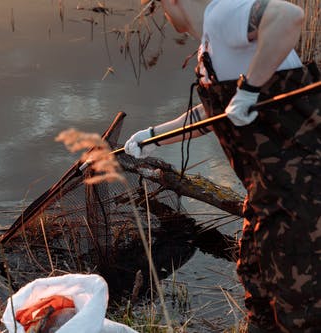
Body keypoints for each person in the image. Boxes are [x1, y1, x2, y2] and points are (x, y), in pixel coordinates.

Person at [125, 0, 320, 332]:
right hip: (268, 191)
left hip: (304, 194)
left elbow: (289, 16)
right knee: (256, 286)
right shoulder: (210, 44)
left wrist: (250, 90)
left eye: (160, 6)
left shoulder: (222, 13)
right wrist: (152, 137)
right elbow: (211, 115)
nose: (165, 15)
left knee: (300, 310)